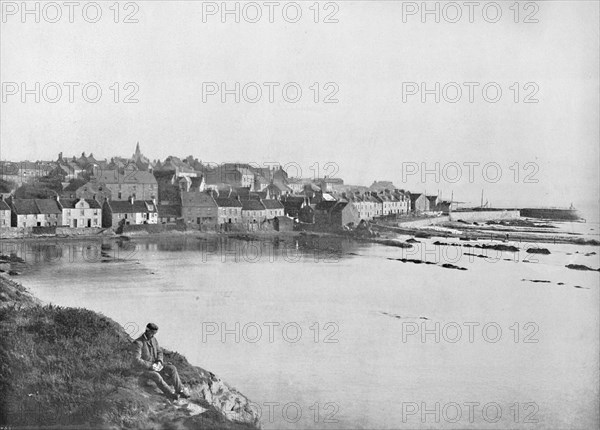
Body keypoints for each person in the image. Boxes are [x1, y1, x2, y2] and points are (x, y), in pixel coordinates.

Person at [133, 323, 189, 400]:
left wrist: (159, 361)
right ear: (147, 330)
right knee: (157, 376)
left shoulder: (154, 340)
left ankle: (180, 390)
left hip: (156, 365)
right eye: (152, 332)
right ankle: (171, 394)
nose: (153, 335)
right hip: (143, 370)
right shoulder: (138, 342)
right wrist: (151, 365)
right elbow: (136, 360)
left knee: (172, 368)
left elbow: (159, 352)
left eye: (155, 333)